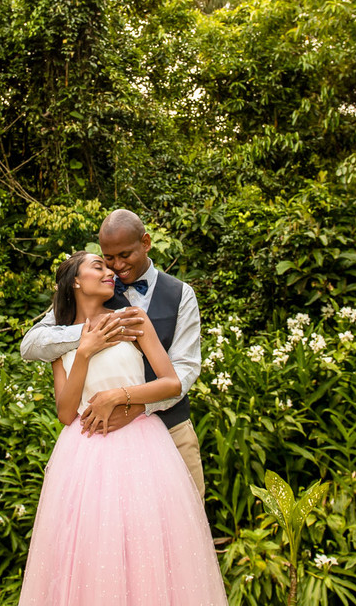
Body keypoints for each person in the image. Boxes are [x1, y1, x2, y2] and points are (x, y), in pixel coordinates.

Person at [18, 251, 226, 605]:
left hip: (143, 447)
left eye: (110, 262)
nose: (109, 270)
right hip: (83, 456)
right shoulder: (59, 338)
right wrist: (85, 349)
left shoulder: (132, 319)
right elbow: (66, 413)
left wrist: (120, 397)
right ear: (75, 282)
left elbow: (173, 382)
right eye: (97, 265)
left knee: (152, 545)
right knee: (90, 550)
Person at [20, 209, 205, 496]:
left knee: (183, 518)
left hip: (169, 429)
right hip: (97, 444)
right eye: (108, 258)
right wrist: (94, 333)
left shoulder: (181, 294)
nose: (116, 267)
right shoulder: (96, 288)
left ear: (145, 243)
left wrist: (136, 407)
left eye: (125, 255)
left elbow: (185, 368)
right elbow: (33, 344)